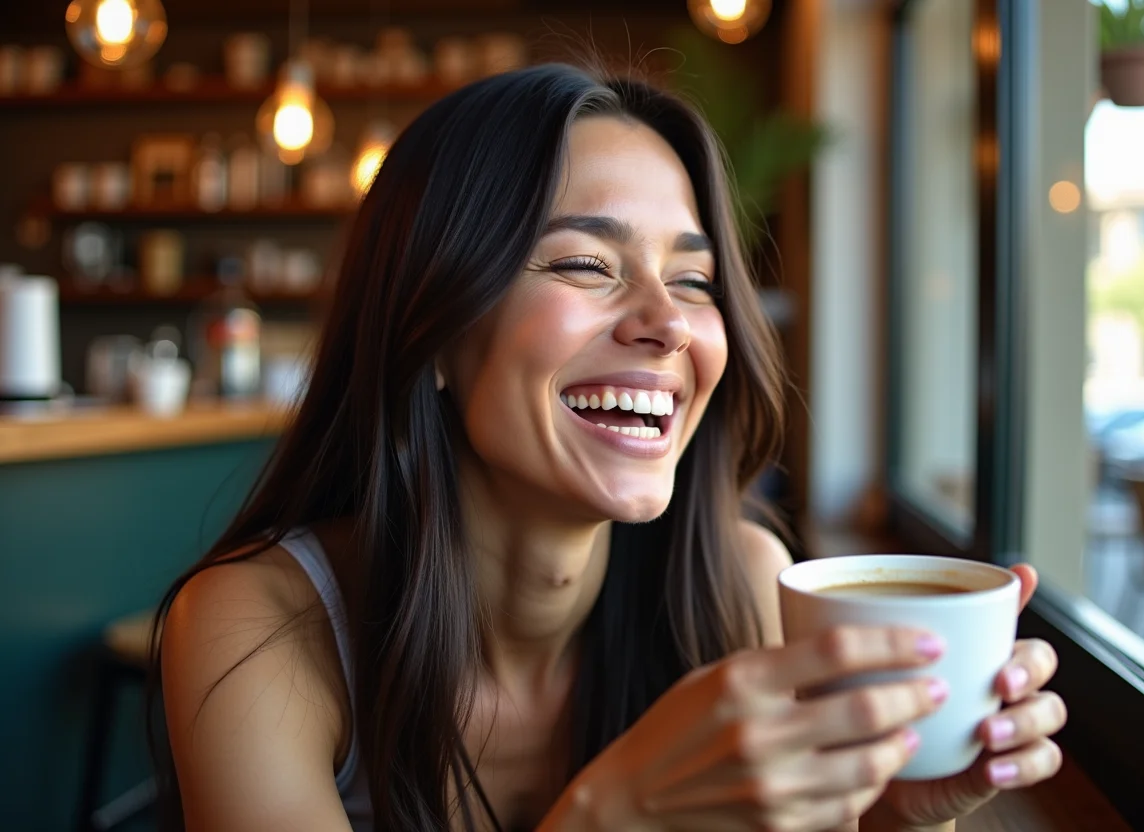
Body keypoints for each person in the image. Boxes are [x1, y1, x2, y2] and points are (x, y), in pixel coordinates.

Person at [153, 64, 1066, 832]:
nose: (669, 323)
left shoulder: (742, 579)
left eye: (694, 279)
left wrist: (894, 815)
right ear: (429, 331)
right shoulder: (258, 630)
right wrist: (612, 814)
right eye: (587, 264)